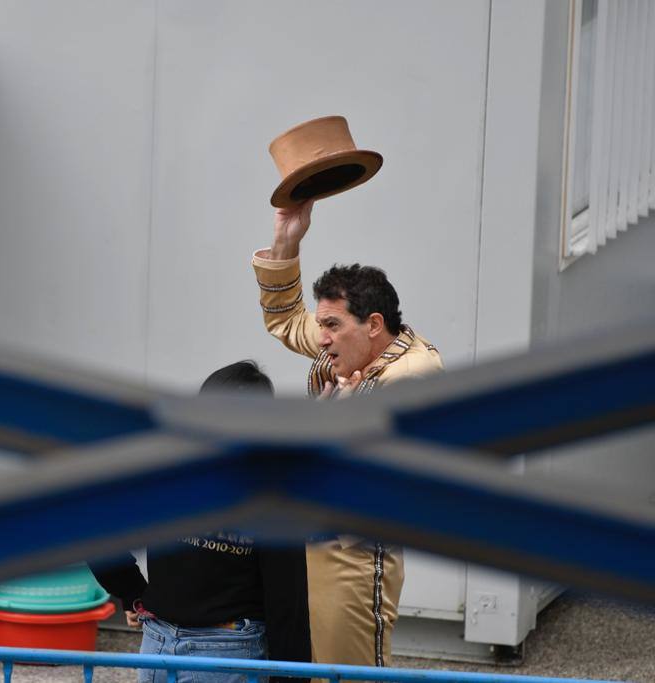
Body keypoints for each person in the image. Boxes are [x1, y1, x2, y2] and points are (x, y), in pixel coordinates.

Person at [251, 199, 444, 676]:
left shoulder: (413, 375)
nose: (320, 339)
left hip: (353, 560)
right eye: (323, 325)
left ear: (373, 325)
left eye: (332, 326)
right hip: (312, 545)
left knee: (350, 675)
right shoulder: (351, 351)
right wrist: (286, 243)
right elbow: (284, 320)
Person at [93, 361, 309, 683]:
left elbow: (97, 530)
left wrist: (134, 593)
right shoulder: (272, 490)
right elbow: (286, 602)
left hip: (158, 644)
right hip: (228, 650)